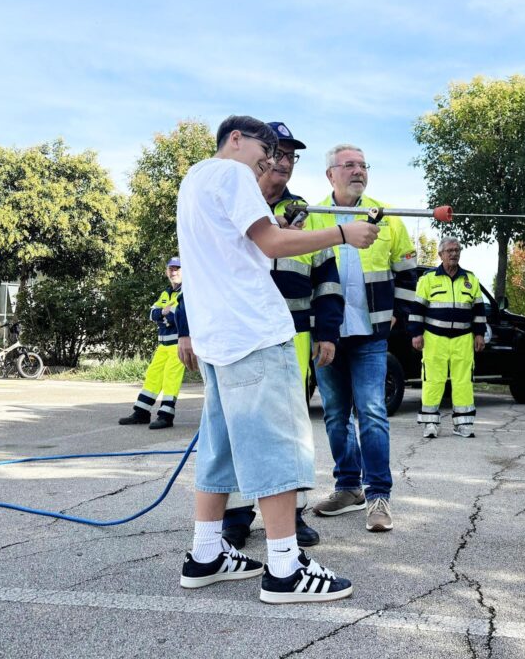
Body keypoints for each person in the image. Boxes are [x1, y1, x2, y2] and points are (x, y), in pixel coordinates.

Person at [175, 115, 378, 604]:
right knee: (278, 447)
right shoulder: (232, 173)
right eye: (264, 150)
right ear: (236, 138)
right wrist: (343, 234)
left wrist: (279, 230)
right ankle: (285, 568)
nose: (268, 161)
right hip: (255, 333)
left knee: (220, 448)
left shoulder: (194, 180)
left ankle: (207, 552)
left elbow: (244, 251)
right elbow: (271, 244)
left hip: (219, 339)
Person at [221, 122, 342, 551]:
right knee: (239, 426)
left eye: (292, 156)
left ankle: (292, 515)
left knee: (291, 428)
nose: (285, 162)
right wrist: (187, 330)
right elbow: (202, 271)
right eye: (277, 153)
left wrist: (328, 332)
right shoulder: (234, 200)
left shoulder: (309, 213)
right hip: (241, 334)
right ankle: (236, 515)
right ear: (261, 156)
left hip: (295, 332)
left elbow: (328, 278)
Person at [307, 144, 418, 532]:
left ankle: (378, 496)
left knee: (372, 412)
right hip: (327, 335)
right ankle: (348, 487)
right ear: (330, 174)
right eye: (349, 165)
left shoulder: (386, 218)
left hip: (371, 334)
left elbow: (408, 271)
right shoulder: (312, 217)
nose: (358, 171)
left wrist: (399, 313)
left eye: (363, 165)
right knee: (335, 415)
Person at [409, 237, 487, 438]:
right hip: (434, 339)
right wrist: (416, 334)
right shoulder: (428, 279)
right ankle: (430, 424)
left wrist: (479, 334)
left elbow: (479, 311)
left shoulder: (471, 279)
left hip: (463, 339)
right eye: (450, 250)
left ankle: (463, 424)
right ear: (440, 254)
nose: (454, 254)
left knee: (463, 382)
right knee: (433, 381)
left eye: (457, 250)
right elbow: (417, 310)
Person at [119, 257, 186, 429]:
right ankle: (141, 412)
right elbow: (152, 314)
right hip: (163, 345)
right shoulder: (165, 293)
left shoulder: (186, 292)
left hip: (177, 344)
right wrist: (163, 314)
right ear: (166, 271)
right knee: (152, 376)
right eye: (171, 269)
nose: (174, 272)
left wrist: (163, 315)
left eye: (177, 268)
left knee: (171, 379)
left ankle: (166, 416)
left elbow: (176, 317)